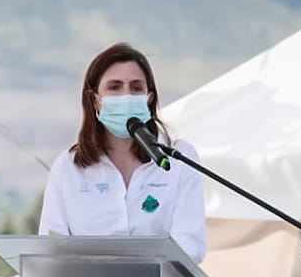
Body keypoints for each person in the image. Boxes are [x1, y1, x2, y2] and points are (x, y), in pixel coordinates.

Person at [38, 42, 207, 263]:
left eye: (136, 88)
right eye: (114, 87)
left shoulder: (180, 157)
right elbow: (50, 250)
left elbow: (190, 246)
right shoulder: (67, 168)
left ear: (149, 98)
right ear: (95, 100)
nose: (126, 96)